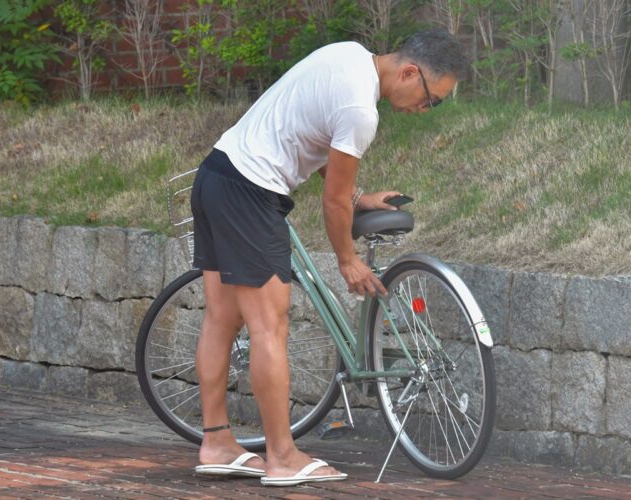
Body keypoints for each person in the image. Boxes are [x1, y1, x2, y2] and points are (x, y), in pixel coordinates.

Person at [190, 29, 467, 486]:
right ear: (409, 72)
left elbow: (311, 135)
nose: (426, 109)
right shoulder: (361, 109)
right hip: (251, 193)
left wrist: (360, 196)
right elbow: (333, 202)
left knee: (221, 318)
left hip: (217, 175)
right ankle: (281, 456)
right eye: (430, 99)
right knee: (269, 326)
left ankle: (217, 442)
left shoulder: (348, 56)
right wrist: (348, 260)